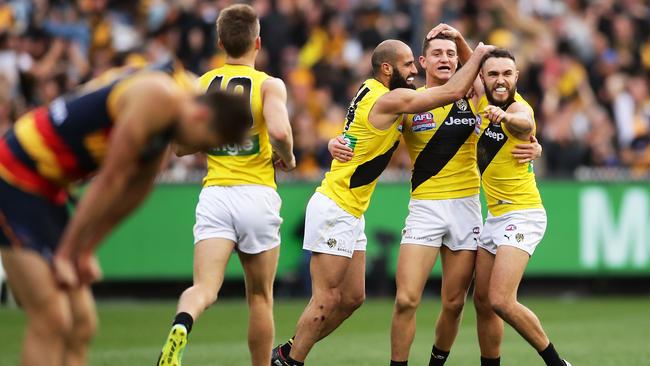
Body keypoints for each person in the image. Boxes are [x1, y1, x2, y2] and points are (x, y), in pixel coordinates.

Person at [0, 62, 252, 366]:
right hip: (15, 173)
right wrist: (69, 254)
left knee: (82, 325)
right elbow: (111, 179)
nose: (193, 149)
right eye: (203, 142)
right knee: (52, 319)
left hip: (50, 188)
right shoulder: (158, 98)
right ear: (202, 115)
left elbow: (138, 188)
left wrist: (86, 249)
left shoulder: (176, 109)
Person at [271, 38, 496, 366]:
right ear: (387, 69)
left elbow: (356, 134)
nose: (413, 71)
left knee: (352, 298)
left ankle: (287, 352)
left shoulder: (371, 91)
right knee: (326, 300)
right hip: (337, 205)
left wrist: (335, 142)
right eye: (408, 65)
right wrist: (475, 53)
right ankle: (291, 360)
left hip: (352, 209)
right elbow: (447, 94)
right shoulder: (390, 99)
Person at [328, 25, 542, 366]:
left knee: (454, 303)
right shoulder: (410, 101)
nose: (446, 59)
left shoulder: (473, 96)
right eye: (438, 54)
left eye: (452, 55)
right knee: (406, 300)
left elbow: (497, 83)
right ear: (424, 62)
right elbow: (363, 131)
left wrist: (534, 143)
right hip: (425, 209)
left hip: (466, 208)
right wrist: (335, 142)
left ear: (459, 62)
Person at [157, 4, 295, 366]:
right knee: (261, 298)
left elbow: (181, 146)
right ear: (258, 42)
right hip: (257, 195)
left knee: (203, 288)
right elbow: (279, 131)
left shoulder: (203, 83)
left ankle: (182, 323)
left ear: (220, 42)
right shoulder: (269, 84)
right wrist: (289, 158)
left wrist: (217, 139)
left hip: (216, 194)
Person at [472, 48, 571, 366]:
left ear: (516, 77)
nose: (500, 80)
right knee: (483, 302)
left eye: (507, 74)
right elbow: (472, 63)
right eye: (493, 74)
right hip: (496, 215)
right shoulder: (482, 98)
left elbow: (524, 124)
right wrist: (466, 43)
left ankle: (557, 363)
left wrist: (505, 118)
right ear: (483, 78)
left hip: (522, 213)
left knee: (500, 299)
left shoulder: (518, 108)